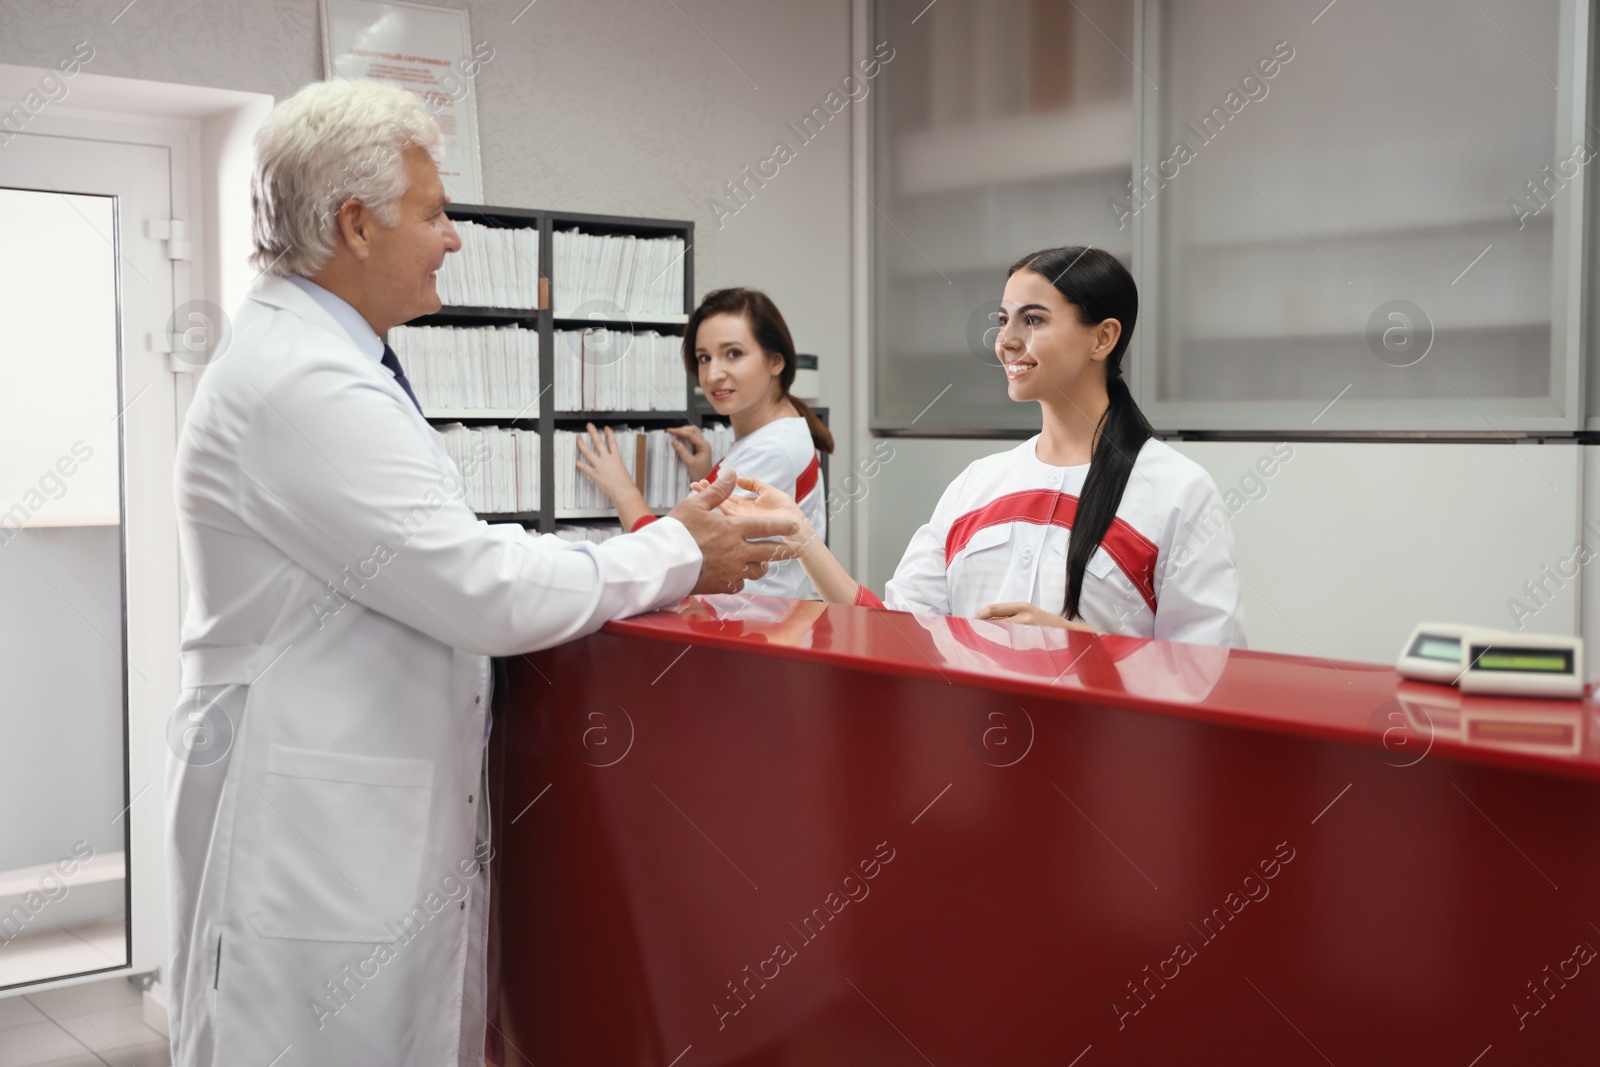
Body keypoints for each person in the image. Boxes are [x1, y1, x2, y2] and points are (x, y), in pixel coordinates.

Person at [165, 79, 797, 1067]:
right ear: (356, 223)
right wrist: (676, 548)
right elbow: (478, 586)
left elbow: (441, 555)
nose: (453, 237)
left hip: (358, 823)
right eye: (434, 212)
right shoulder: (301, 380)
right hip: (314, 841)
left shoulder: (332, 362)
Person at [716, 246, 1247, 647]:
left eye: (1033, 319)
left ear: (1102, 338)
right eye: (1003, 319)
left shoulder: (1176, 490)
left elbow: (1208, 672)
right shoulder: (978, 484)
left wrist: (1078, 647)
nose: (1005, 341)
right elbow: (896, 633)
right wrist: (801, 536)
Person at [575, 287, 831, 598]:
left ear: (776, 362)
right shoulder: (779, 432)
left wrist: (622, 490)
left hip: (749, 629)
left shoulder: (772, 450)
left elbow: (668, 561)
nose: (712, 374)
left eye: (733, 354)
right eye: (704, 358)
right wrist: (707, 476)